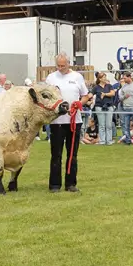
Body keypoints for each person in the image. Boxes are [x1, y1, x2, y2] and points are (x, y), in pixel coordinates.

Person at [42, 54, 88, 193]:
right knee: (56, 154)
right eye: (58, 65)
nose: (60, 68)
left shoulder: (77, 77)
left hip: (74, 120)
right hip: (57, 122)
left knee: (72, 154)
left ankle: (71, 184)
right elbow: (45, 96)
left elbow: (86, 95)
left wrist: (80, 103)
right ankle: (55, 185)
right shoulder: (51, 78)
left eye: (63, 65)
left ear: (69, 64)